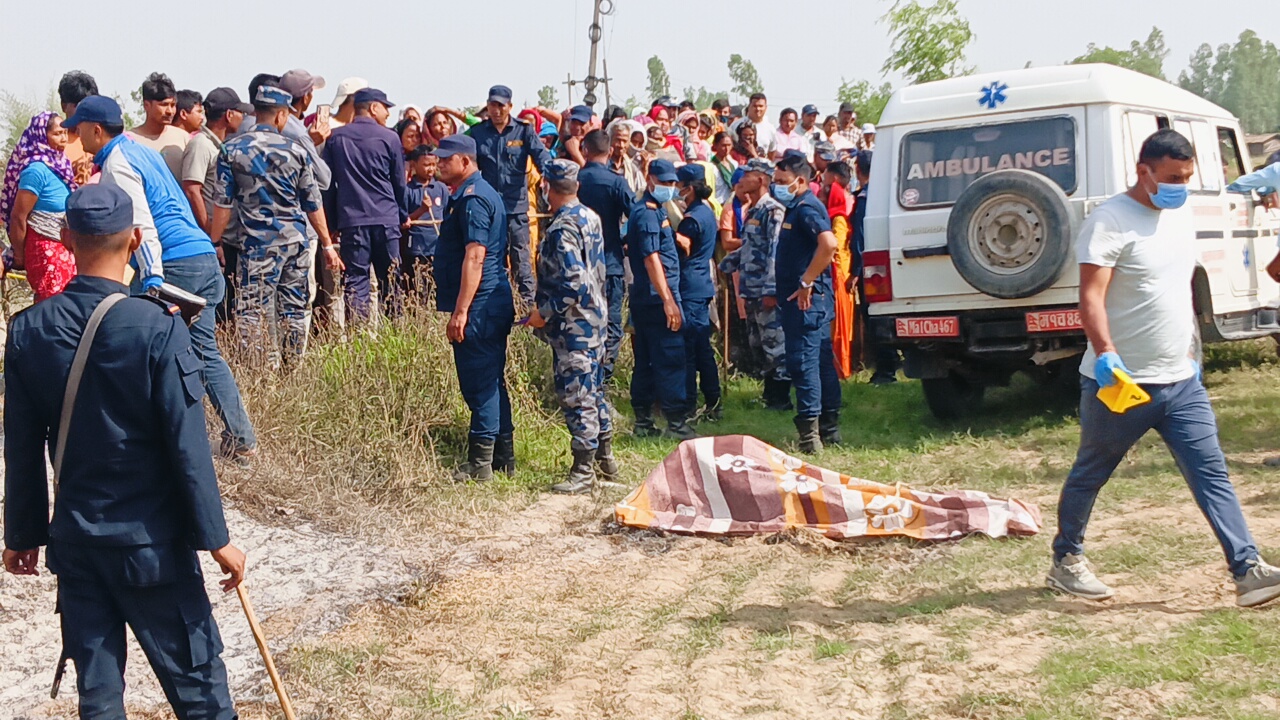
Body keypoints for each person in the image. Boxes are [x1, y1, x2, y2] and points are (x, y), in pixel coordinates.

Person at [3, 183, 246, 719]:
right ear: (135, 240)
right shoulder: (158, 328)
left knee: (99, 698)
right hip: (151, 546)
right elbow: (189, 445)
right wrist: (217, 539)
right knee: (201, 692)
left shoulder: (28, 330)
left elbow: (20, 447)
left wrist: (22, 536)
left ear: (66, 239)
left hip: (78, 545)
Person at [1047, 129, 1280, 607]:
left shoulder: (1178, 216)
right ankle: (1066, 559)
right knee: (1091, 472)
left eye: (1187, 178)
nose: (1181, 187)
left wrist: (1192, 355)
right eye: (1173, 178)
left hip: (1180, 382)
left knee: (1211, 473)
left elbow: (1179, 293)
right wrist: (1106, 353)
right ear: (1143, 171)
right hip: (1123, 384)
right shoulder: (1110, 222)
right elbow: (1090, 297)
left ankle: (1247, 569)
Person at [68, 95, 258, 461]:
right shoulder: (142, 153)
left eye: (78, 130)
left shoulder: (118, 165)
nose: (76, 137)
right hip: (201, 256)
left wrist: (153, 279)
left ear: (95, 130)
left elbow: (142, 224)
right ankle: (240, 436)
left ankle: (147, 438)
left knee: (139, 349)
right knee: (204, 352)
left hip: (172, 264)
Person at [211, 85, 341, 368]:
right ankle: (292, 370)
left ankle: (262, 375)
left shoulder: (232, 150)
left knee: (254, 312)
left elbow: (222, 204)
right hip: (295, 243)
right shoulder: (296, 150)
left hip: (256, 246)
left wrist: (216, 242)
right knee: (293, 310)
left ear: (256, 112)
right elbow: (312, 203)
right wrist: (327, 244)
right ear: (282, 116)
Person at [526, 160, 616, 494]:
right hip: (596, 320)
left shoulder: (562, 228)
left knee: (578, 397)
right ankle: (606, 461)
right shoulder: (590, 217)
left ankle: (583, 471)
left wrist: (543, 313)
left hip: (574, 327)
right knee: (594, 392)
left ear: (547, 186)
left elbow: (574, 283)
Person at [432, 134, 518, 481]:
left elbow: (475, 255)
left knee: (479, 385)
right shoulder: (477, 194)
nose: (438, 164)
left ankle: (480, 465)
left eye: (445, 159)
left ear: (465, 162)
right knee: (492, 382)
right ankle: (503, 458)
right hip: (489, 303)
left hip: (480, 307)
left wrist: (461, 311)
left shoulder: (472, 199)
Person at [770, 152, 841, 452]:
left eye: (781, 182)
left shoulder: (806, 208)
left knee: (804, 363)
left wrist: (805, 282)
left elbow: (829, 244)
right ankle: (829, 428)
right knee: (821, 360)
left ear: (800, 181)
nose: (776, 187)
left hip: (806, 302)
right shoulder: (795, 206)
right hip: (805, 300)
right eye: (774, 182)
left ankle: (811, 436)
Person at [322, 88, 408, 322]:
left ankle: (358, 338)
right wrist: (402, 214)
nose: (388, 114)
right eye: (385, 107)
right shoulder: (389, 137)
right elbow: (399, 182)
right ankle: (395, 332)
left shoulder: (335, 138)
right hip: (386, 218)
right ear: (373, 107)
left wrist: (331, 223)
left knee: (356, 283)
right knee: (390, 283)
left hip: (352, 221)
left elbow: (328, 185)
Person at [467, 85, 554, 309]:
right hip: (488, 210)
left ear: (510, 107)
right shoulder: (478, 133)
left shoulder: (523, 131)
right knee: (491, 261)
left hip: (516, 209)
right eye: (491, 105)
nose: (495, 110)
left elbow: (542, 157)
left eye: (500, 105)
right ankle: (495, 307)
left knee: (522, 262)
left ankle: (527, 310)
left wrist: (551, 177)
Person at [627, 159, 695, 439]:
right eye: (664, 182)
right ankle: (675, 423)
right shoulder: (646, 213)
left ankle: (644, 422)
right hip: (656, 299)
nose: (669, 187)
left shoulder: (658, 212)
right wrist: (668, 300)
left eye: (672, 183)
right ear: (649, 179)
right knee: (670, 358)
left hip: (651, 297)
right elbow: (651, 258)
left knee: (647, 360)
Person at [180, 88, 252, 324]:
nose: (244, 118)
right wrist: (213, 237)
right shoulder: (201, 144)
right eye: (241, 113)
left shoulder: (221, 145)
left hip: (228, 238)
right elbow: (192, 190)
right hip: (215, 240)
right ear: (229, 115)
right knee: (219, 308)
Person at [722, 158, 790, 409]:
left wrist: (771, 289)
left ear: (761, 179)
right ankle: (769, 395)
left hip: (765, 290)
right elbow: (750, 248)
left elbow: (775, 252)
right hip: (750, 290)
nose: (741, 179)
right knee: (757, 343)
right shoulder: (753, 210)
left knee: (775, 343)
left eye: (747, 174)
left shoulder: (773, 210)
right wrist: (726, 265)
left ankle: (780, 399)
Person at [277, 69, 336, 330]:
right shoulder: (297, 131)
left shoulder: (268, 125)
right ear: (305, 98)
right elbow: (322, 179)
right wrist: (316, 144)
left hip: (269, 224)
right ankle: (295, 359)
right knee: (300, 296)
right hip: (300, 223)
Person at [577, 130, 636, 380]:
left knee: (582, 321)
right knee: (611, 323)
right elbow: (637, 216)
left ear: (585, 151)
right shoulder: (617, 182)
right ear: (610, 151)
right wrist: (625, 240)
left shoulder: (575, 180)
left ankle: (584, 375)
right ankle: (603, 376)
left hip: (579, 263)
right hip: (610, 261)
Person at [1, 112, 78, 301]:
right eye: (57, 133)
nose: (63, 138)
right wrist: (20, 254)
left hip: (64, 247)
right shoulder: (36, 170)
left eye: (65, 133)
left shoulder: (61, 164)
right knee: (52, 306)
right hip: (45, 251)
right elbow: (19, 216)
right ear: (42, 136)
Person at [675, 163, 722, 422]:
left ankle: (689, 406)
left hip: (690, 286)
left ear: (689, 189)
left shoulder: (692, 220)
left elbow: (683, 250)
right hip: (702, 284)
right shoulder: (706, 211)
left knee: (690, 351)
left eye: (679, 185)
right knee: (703, 348)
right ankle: (714, 402)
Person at [849, 151, 898, 384]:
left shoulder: (865, 199)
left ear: (858, 170)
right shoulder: (886, 194)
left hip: (872, 268)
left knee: (874, 316)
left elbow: (860, 239)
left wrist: (854, 272)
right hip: (892, 261)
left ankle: (886, 369)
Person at [401, 145, 449, 298]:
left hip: (437, 247)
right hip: (415, 248)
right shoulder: (407, 190)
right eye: (426, 164)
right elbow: (403, 220)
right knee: (416, 289)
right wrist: (421, 209)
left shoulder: (441, 188)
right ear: (414, 165)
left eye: (433, 164)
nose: (431, 169)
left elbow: (448, 214)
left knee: (437, 288)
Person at [823, 160, 856, 380]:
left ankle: (840, 368)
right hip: (838, 272)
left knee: (839, 327)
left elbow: (835, 246)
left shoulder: (839, 219)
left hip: (838, 274)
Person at [130, 72, 189, 179]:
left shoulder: (183, 138)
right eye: (164, 105)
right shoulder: (130, 140)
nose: (170, 111)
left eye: (173, 105)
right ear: (146, 105)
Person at [57, 71, 98, 186]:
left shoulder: (103, 138)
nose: (84, 111)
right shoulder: (54, 143)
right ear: (64, 106)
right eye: (78, 106)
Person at [608, 120, 646, 196]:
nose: (621, 145)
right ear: (610, 140)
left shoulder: (633, 169)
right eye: (618, 140)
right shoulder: (603, 164)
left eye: (625, 141)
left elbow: (640, 194)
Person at [709, 132, 738, 206]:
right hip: (718, 203)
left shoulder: (734, 164)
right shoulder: (711, 166)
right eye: (723, 145)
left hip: (731, 203)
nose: (727, 149)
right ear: (715, 145)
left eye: (729, 145)